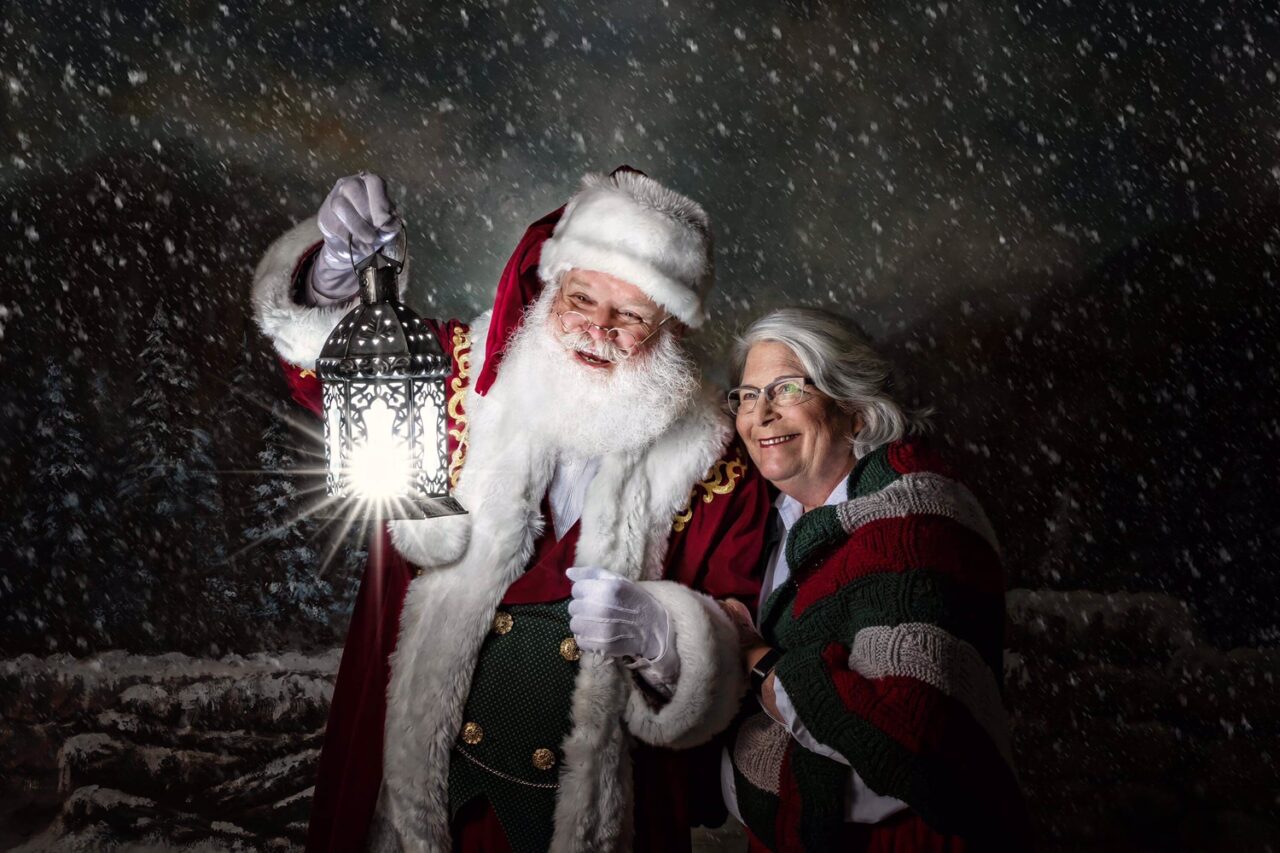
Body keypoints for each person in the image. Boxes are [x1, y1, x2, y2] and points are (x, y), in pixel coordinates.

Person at [249, 169, 771, 852]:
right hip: (432, 801)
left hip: (591, 816)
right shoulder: (460, 374)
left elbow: (739, 650)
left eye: (633, 314)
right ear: (551, 286)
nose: (599, 329)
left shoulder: (715, 465)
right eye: (582, 296)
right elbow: (328, 365)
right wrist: (336, 272)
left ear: (669, 327)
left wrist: (672, 640)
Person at [718, 308, 1029, 851]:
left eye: (786, 389)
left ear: (855, 412)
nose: (760, 413)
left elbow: (907, 743)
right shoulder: (768, 526)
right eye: (746, 395)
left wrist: (756, 660)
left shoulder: (914, 518)